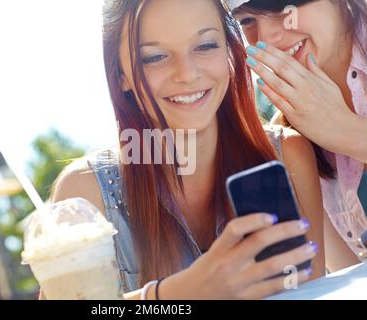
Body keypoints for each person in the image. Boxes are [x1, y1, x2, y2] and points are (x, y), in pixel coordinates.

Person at [49, 0, 325, 300]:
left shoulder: (287, 155)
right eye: (154, 57)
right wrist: (173, 295)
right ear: (121, 75)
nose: (187, 73)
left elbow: (318, 292)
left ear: (231, 52)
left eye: (205, 45)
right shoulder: (84, 196)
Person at [231, 0, 367, 272]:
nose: (268, 37)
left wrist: (346, 132)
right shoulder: (290, 137)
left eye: (282, 6)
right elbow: (347, 275)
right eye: (247, 21)